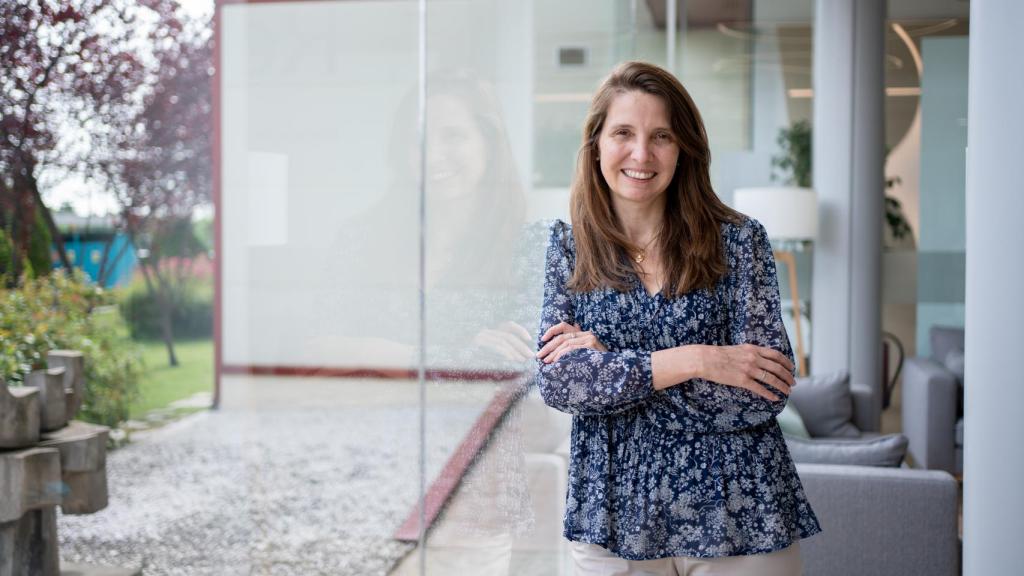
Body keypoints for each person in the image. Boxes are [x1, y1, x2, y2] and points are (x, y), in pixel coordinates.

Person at [535, 61, 821, 575]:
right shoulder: (567, 246)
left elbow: (763, 392)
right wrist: (700, 359)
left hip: (739, 514)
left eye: (661, 135)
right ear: (597, 142)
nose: (641, 154)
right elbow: (562, 384)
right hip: (613, 517)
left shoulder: (739, 241)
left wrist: (616, 369)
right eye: (623, 132)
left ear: (683, 147)